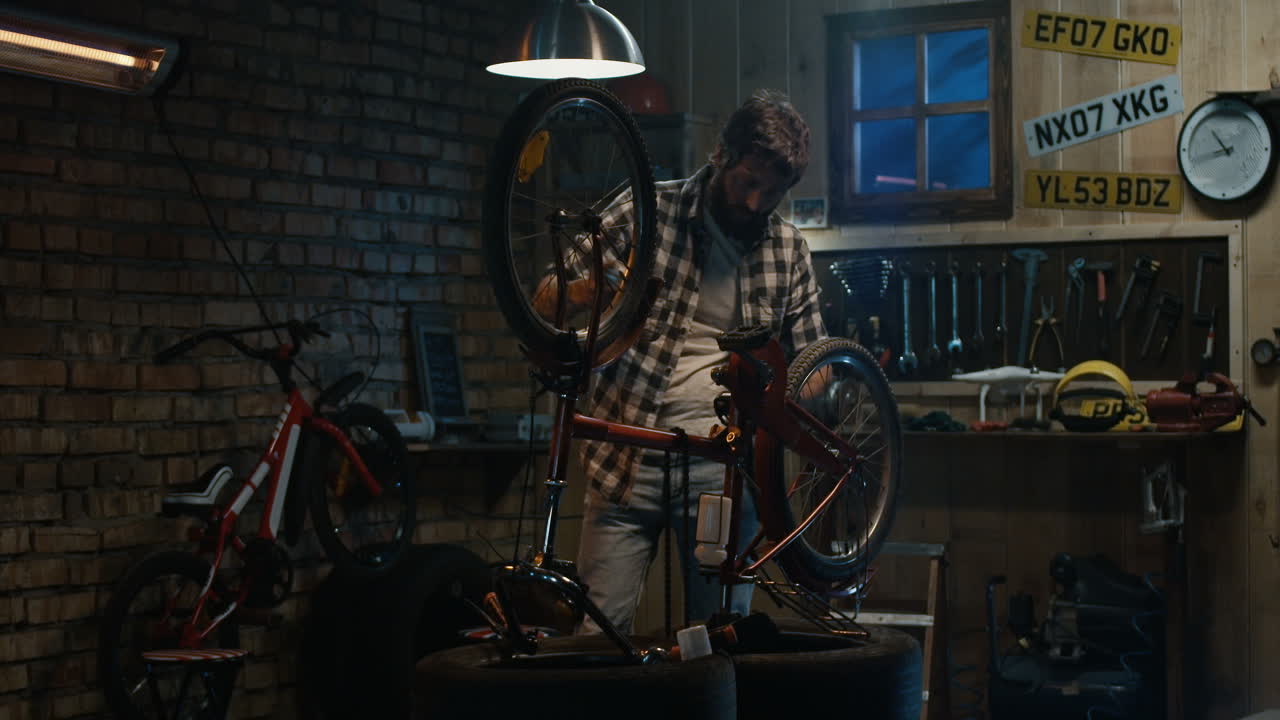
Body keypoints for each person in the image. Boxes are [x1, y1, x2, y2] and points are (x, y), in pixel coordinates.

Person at [572, 89, 827, 635]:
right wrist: (597, 291)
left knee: (716, 644)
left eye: (773, 192)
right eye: (747, 183)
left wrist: (808, 388)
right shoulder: (647, 210)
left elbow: (813, 365)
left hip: (724, 468)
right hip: (625, 456)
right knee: (594, 639)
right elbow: (552, 292)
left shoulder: (788, 249)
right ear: (721, 156)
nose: (757, 203)